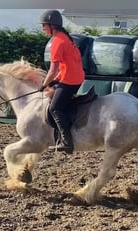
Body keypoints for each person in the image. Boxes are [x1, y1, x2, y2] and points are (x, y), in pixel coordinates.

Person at [38, 9, 85, 154]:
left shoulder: (57, 42)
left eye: (44, 25)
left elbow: (52, 70)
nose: (42, 28)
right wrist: (54, 81)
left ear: (52, 26)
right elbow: (66, 65)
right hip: (74, 77)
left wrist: (44, 84)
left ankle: (67, 142)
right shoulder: (66, 37)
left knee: (54, 108)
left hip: (70, 80)